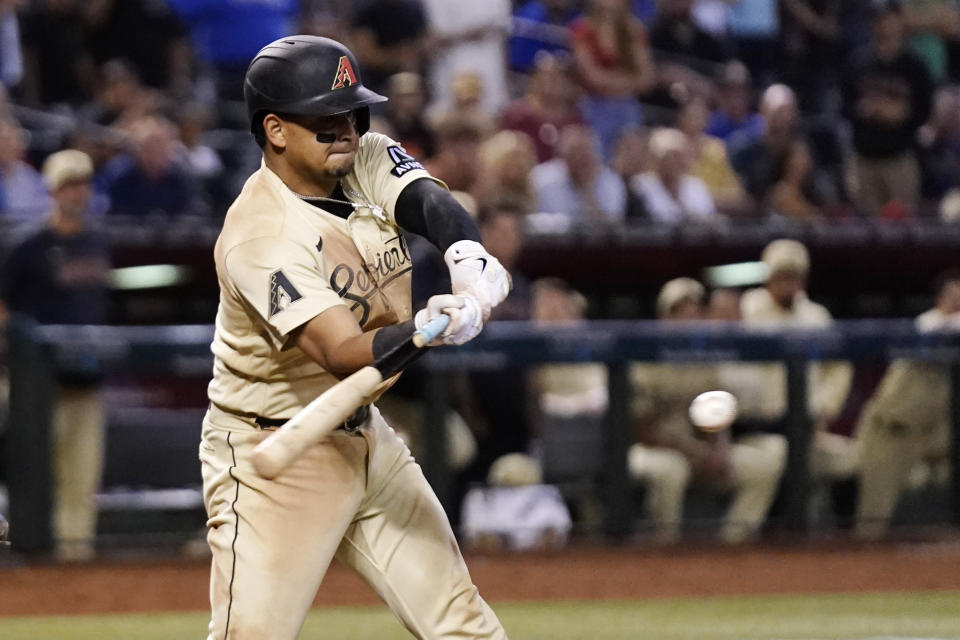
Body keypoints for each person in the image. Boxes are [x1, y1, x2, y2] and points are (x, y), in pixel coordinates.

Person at [201, 36, 511, 640]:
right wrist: (428, 328)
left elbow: (425, 201)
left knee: (462, 626)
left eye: (352, 112)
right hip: (275, 451)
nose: (346, 130)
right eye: (325, 119)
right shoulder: (260, 236)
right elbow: (342, 353)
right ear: (276, 130)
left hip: (368, 437)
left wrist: (467, 259)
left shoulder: (361, 156)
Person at [0, 149, 110, 561]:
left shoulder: (98, 241)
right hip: (37, 383)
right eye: (68, 184)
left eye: (82, 183)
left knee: (82, 478)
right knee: (33, 474)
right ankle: (30, 553)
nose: (76, 192)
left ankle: (73, 559)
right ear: (51, 190)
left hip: (87, 378)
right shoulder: (28, 244)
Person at [628, 277, 787, 544]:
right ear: (664, 317)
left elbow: (716, 415)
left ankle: (731, 547)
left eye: (694, 309)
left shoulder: (705, 359)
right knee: (671, 471)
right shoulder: (644, 360)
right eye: (679, 311)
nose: (688, 316)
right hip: (649, 450)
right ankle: (663, 547)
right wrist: (693, 452)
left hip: (696, 450)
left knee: (763, 467)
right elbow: (642, 429)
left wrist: (719, 448)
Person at [738, 240, 857, 505]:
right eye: (782, 277)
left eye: (795, 277)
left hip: (808, 424)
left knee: (850, 459)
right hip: (759, 425)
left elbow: (839, 369)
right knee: (780, 460)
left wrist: (825, 406)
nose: (789, 285)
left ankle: (843, 543)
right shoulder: (749, 309)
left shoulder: (816, 316)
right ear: (768, 277)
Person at [855, 270, 960, 540]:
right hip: (889, 432)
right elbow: (940, 331)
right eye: (952, 301)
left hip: (935, 435)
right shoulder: (926, 324)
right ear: (939, 301)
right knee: (872, 524)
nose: (956, 307)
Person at [841, 0, 933, 216]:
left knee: (903, 230)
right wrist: (867, 111)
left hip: (899, 160)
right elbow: (844, 107)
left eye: (889, 19)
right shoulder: (857, 62)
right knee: (865, 233)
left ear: (899, 21)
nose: (884, 25)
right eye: (878, 20)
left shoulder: (914, 66)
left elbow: (924, 110)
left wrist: (901, 114)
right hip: (864, 160)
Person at [569, 0, 656, 159]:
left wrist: (611, 82)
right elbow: (593, 77)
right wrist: (628, 81)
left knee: (631, 158)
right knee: (595, 157)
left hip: (627, 106)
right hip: (593, 106)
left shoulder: (634, 30)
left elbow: (646, 79)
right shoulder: (583, 29)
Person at [630, 127, 718, 224]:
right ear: (656, 159)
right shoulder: (640, 185)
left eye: (680, 156)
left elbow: (708, 218)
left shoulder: (696, 185)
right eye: (670, 157)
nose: (675, 163)